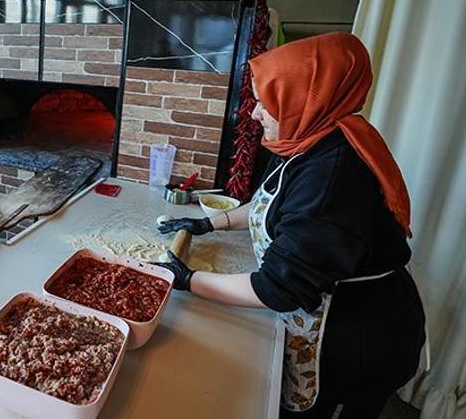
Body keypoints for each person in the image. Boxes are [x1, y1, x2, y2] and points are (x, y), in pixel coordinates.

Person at [156, 33, 426, 418]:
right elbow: (269, 203)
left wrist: (187, 280)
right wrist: (207, 224)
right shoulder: (310, 137)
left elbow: (276, 289)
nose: (254, 114)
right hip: (338, 315)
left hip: (357, 338)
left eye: (266, 103)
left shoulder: (332, 175)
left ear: (304, 99)